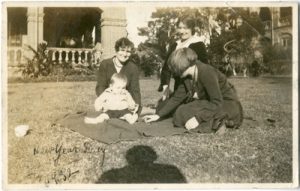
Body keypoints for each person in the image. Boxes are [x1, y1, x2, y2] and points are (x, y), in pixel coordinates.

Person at [144, 48, 243, 132]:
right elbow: (176, 98)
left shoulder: (206, 72)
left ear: (184, 65)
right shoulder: (187, 76)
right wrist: (158, 115)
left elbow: (217, 102)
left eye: (176, 69)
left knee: (186, 113)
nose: (175, 74)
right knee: (181, 112)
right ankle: (215, 122)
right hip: (210, 103)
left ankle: (220, 123)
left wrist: (197, 118)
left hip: (226, 104)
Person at [158, 16, 208, 100]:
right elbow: (166, 68)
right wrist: (165, 87)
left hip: (193, 86)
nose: (182, 31)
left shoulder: (198, 44)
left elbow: (204, 68)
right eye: (180, 28)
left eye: (185, 28)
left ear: (192, 28)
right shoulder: (175, 45)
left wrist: (199, 90)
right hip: (178, 86)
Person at [95, 37, 141, 114]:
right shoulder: (105, 64)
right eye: (122, 50)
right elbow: (100, 86)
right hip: (108, 101)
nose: (125, 54)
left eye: (128, 51)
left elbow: (135, 90)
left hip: (124, 102)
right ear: (116, 50)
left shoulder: (133, 68)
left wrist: (136, 104)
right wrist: (104, 102)